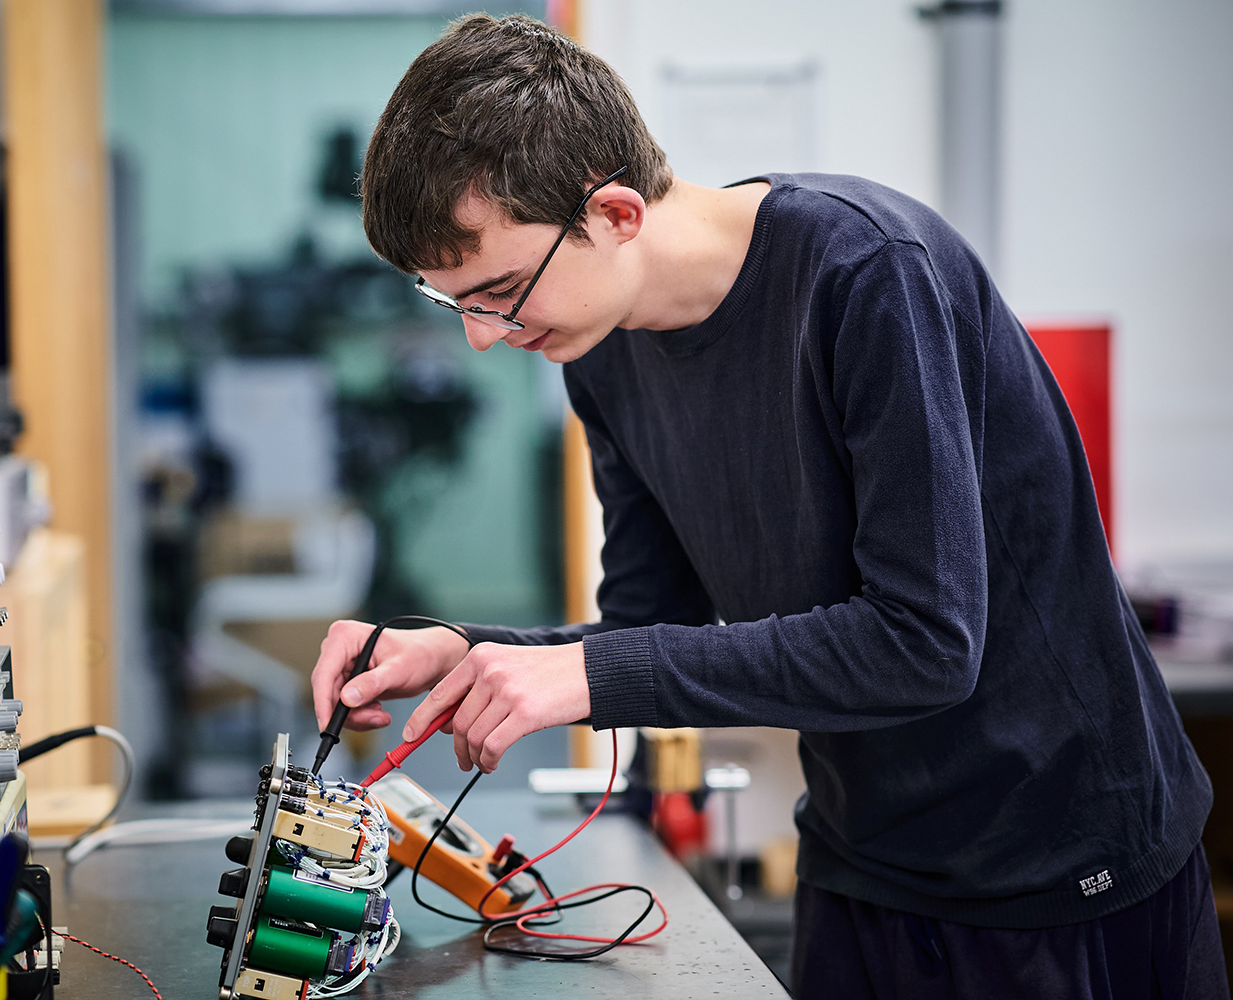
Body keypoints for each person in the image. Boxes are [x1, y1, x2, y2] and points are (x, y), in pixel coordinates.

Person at [309, 13, 1225, 998]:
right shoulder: (600, 351)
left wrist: (581, 673)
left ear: (617, 214)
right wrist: (465, 647)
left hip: (1056, 856)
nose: (486, 340)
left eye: (498, 292)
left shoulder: (869, 275)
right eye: (459, 307)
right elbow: (649, 631)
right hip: (863, 849)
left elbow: (924, 640)